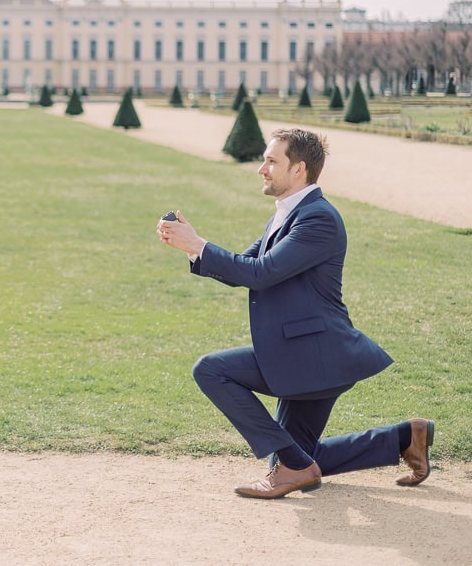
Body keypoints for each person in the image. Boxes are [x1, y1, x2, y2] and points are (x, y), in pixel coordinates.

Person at [157, 128, 433, 499]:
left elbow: (262, 273)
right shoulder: (290, 213)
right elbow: (246, 267)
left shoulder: (318, 218)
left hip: (315, 356)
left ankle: (295, 465)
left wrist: (199, 244)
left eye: (271, 161)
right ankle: (406, 437)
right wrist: (194, 248)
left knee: (211, 369)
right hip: (301, 352)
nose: (262, 169)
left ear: (299, 169)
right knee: (298, 458)